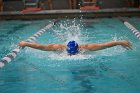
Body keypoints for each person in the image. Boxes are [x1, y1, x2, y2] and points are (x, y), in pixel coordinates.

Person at [19, 40, 132, 55]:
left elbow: (104, 45)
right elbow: (41, 47)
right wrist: (26, 43)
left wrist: (119, 42)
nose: (72, 55)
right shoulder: (58, 47)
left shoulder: (87, 47)